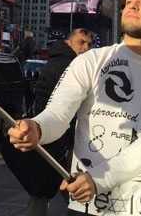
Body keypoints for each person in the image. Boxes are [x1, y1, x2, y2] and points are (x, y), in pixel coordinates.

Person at [8, 0, 141, 215]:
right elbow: (58, 113)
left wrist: (98, 179)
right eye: (129, 2)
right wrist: (37, 127)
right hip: (87, 205)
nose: (132, 6)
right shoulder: (90, 60)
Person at [23, 28, 94, 216]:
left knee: (47, 190)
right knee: (65, 190)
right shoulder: (70, 66)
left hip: (52, 137)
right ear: (69, 43)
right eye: (81, 42)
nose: (86, 48)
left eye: (89, 44)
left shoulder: (60, 61)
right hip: (57, 138)